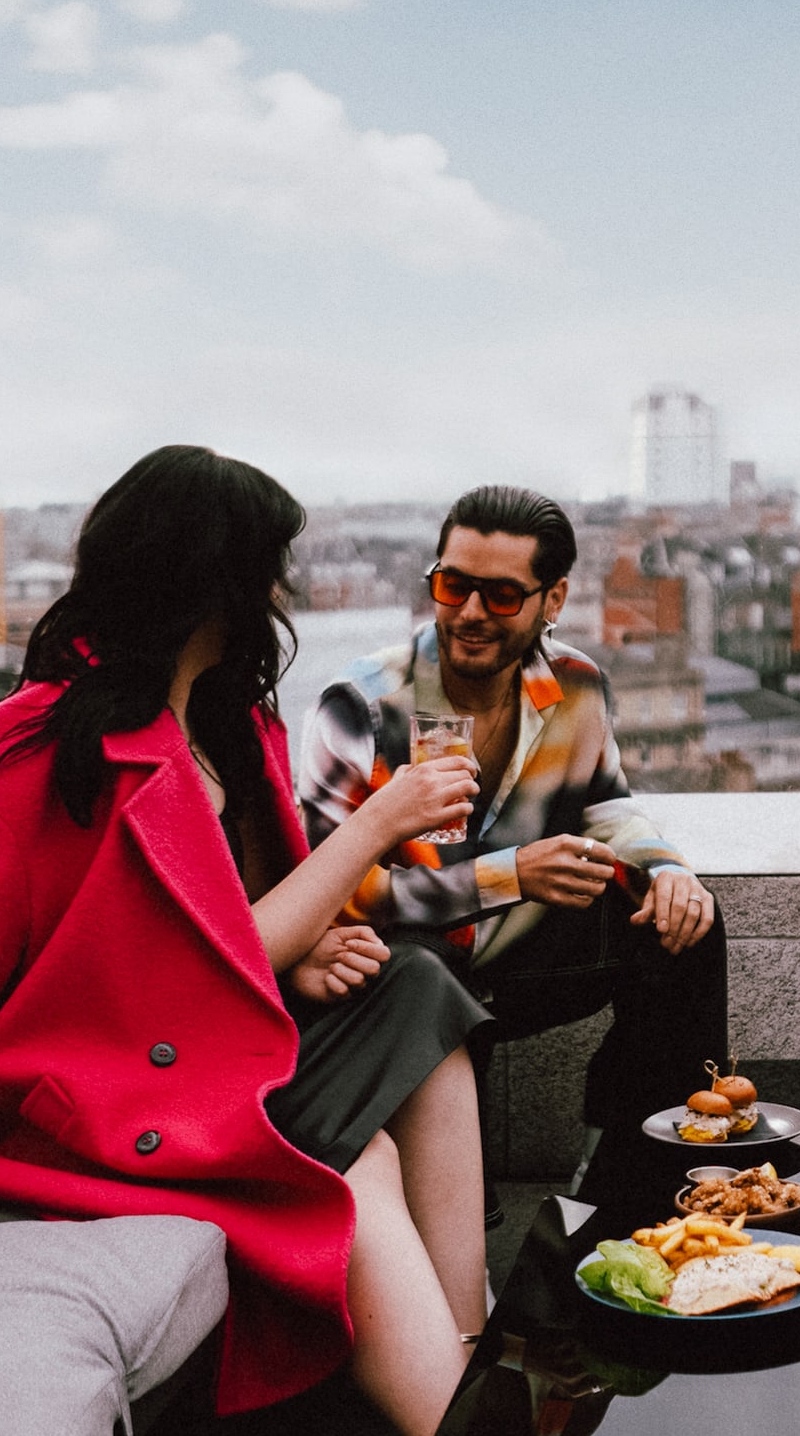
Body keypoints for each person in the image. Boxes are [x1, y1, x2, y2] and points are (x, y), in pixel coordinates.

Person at [0, 447, 665, 1436]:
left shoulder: (220, 724)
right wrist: (374, 824)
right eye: (270, 569)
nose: (284, 593)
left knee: (419, 993)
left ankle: (479, 1372)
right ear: (215, 584)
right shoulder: (20, 762)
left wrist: (308, 941)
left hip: (206, 1048)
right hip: (93, 1109)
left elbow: (224, 930)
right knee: (350, 1162)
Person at [298, 485, 725, 1189]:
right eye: (453, 585)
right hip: (404, 958)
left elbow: (606, 806)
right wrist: (511, 875)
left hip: (516, 949)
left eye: (500, 596)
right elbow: (331, 895)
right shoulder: (364, 704)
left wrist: (669, 869)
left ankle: (637, 1182)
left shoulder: (578, 685)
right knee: (427, 972)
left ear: (551, 601)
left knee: (686, 932)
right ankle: (462, 1220)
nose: (468, 613)